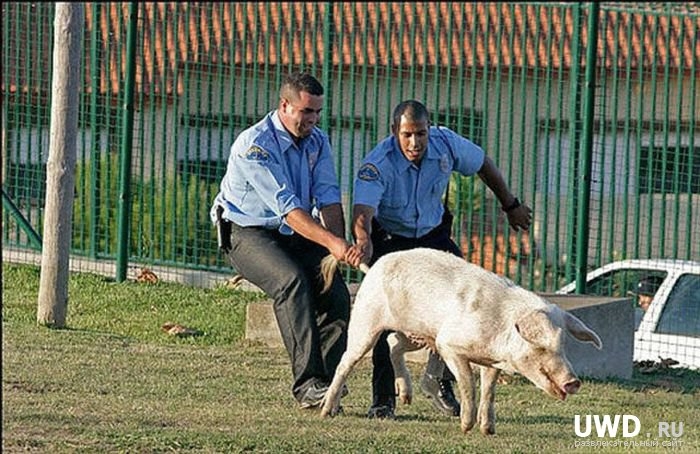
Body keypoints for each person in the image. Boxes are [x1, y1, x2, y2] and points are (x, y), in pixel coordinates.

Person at [351, 100, 532, 420]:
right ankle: (382, 400)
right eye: (407, 135)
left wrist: (510, 204)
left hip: (434, 235)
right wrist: (363, 240)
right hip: (392, 239)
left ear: (429, 130)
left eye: (421, 134)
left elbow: (483, 164)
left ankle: (438, 380)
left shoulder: (446, 144)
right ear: (394, 132)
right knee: (381, 318)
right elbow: (363, 211)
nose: (415, 143)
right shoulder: (377, 163)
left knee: (464, 304)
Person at [210, 71, 362, 409]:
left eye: (318, 112)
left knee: (333, 288)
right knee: (291, 282)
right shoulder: (255, 146)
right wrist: (333, 244)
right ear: (285, 105)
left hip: (293, 230)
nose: (313, 120)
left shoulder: (318, 141)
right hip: (244, 231)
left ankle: (327, 382)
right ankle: (307, 384)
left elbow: (327, 196)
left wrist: (336, 245)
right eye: (306, 112)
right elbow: (289, 209)